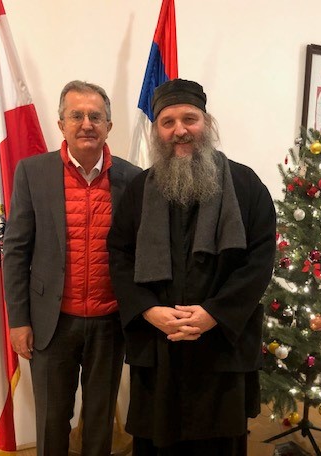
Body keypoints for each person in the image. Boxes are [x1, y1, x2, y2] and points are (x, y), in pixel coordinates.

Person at [108, 78, 276, 456]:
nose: (179, 130)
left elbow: (260, 258)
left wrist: (215, 313)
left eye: (189, 119)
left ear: (207, 122)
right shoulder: (139, 189)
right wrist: (148, 310)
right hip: (160, 343)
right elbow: (119, 255)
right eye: (167, 122)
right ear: (156, 131)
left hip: (221, 346)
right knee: (157, 441)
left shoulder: (246, 185)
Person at [3, 80, 141, 456]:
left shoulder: (133, 178)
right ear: (61, 124)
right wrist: (19, 321)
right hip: (52, 323)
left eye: (95, 116)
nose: (86, 124)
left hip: (109, 324)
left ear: (108, 126)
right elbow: (16, 251)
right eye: (76, 115)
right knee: (52, 420)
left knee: (99, 421)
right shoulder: (33, 172)